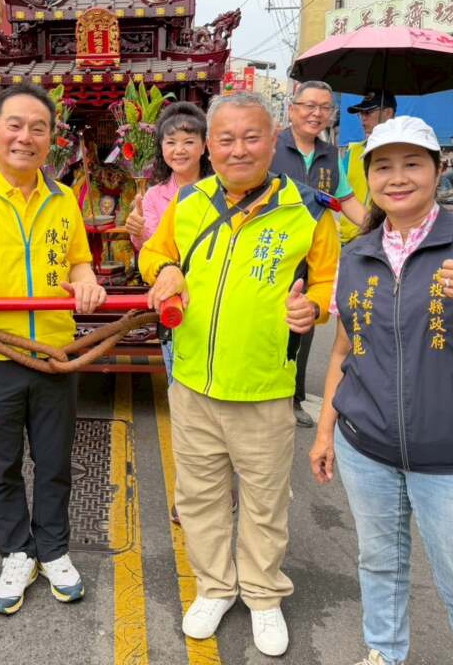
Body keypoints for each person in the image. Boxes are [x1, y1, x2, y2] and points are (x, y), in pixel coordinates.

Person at [310, 115, 453, 665]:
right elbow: (344, 352)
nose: (397, 178)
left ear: (438, 171)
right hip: (367, 450)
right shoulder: (356, 255)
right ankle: (384, 653)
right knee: (378, 566)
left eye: (412, 164)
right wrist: (325, 433)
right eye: (383, 167)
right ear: (367, 179)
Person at [141, 91, 340, 656]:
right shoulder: (190, 201)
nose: (238, 149)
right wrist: (166, 269)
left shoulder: (309, 210)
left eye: (251, 137)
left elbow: (328, 281)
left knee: (264, 501)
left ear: (273, 141)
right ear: (210, 146)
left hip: (264, 388)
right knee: (199, 497)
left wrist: (314, 308)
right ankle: (214, 587)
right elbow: (153, 253)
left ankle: (263, 594)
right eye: (225, 139)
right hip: (193, 385)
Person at [0, 84, 103, 614]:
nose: (25, 137)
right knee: (2, 464)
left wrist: (88, 282)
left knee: (54, 461)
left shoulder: (63, 197)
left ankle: (53, 550)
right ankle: (16, 552)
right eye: (14, 125)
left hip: (54, 353)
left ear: (51, 138)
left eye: (38, 128)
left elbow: (78, 260)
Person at [273, 80, 364, 428]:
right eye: (309, 106)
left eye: (325, 108)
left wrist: (382, 226)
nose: (317, 113)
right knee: (269, 325)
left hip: (314, 257)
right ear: (292, 109)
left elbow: (347, 200)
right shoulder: (273, 146)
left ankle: (293, 397)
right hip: (274, 251)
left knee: (304, 327)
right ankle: (265, 392)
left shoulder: (330, 155)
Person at [125, 101, 213, 374]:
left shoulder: (221, 189)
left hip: (212, 295)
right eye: (171, 142)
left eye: (189, 142)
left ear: (204, 146)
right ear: (161, 148)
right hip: (173, 298)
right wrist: (138, 232)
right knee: (179, 379)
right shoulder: (153, 195)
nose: (179, 150)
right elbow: (151, 248)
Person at [338, 91, 397, 246]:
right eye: (361, 114)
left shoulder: (402, 153)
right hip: (348, 241)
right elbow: (337, 192)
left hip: (385, 242)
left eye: (368, 112)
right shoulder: (353, 152)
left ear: (388, 113)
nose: (363, 118)